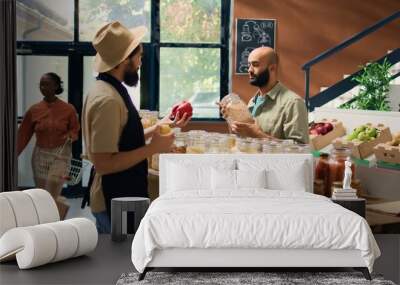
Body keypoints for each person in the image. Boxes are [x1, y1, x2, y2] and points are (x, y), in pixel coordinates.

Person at [82, 21, 191, 233]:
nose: (141, 62)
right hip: (115, 199)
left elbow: (121, 138)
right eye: (139, 56)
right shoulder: (108, 100)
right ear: (124, 60)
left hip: (121, 195)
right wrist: (153, 148)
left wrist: (160, 125)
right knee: (123, 262)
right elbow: (104, 163)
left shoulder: (107, 89)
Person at [17, 72, 80, 219]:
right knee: (41, 194)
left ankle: (53, 220)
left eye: (46, 84)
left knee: (52, 193)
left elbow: (75, 130)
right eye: (41, 84)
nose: (43, 87)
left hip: (61, 155)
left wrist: (70, 135)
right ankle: (52, 219)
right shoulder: (34, 110)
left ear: (56, 86)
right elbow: (23, 135)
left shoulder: (68, 109)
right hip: (40, 154)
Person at [220, 47, 309, 144]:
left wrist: (257, 134)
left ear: (272, 68)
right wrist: (232, 120)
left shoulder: (293, 103)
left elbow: (300, 149)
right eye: (249, 65)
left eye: (255, 65)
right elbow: (245, 140)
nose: (249, 70)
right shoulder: (252, 101)